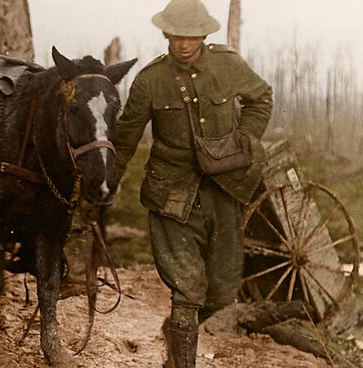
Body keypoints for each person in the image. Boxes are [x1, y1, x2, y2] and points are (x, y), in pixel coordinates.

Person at [114, 0, 273, 366]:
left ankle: (177, 333)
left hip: (224, 190)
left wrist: (245, 138)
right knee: (186, 288)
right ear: (166, 33)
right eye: (177, 35)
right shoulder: (150, 80)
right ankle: (181, 360)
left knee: (222, 288)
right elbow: (125, 139)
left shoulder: (227, 65)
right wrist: (105, 187)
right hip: (171, 194)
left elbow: (261, 98)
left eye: (191, 36)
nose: (184, 44)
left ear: (204, 34)